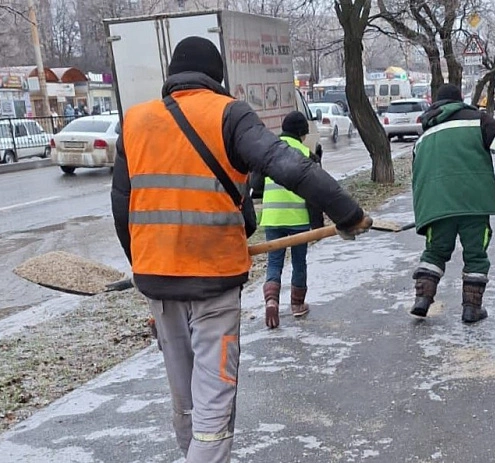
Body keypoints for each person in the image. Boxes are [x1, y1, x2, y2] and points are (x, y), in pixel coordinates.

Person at [111, 36, 371, 463]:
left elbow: (122, 205)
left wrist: (142, 267)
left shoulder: (135, 121)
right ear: (217, 77)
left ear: (171, 76)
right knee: (213, 414)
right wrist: (347, 213)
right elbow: (286, 163)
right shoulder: (228, 113)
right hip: (212, 282)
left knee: (186, 403)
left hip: (158, 283)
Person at [409, 83, 495, 323]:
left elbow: (417, 178)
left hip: (437, 206)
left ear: (435, 106)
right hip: (474, 203)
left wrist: (424, 210)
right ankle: (471, 308)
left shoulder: (423, 138)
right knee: (475, 254)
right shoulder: (477, 121)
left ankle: (422, 300)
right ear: (460, 101)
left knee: (435, 252)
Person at [259, 111, 326, 329]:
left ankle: (271, 301)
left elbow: (256, 185)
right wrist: (318, 227)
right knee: (299, 261)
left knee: (274, 261)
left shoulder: (269, 153)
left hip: (272, 216)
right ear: (301, 134)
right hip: (297, 218)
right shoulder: (306, 154)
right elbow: (316, 194)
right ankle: (297, 305)